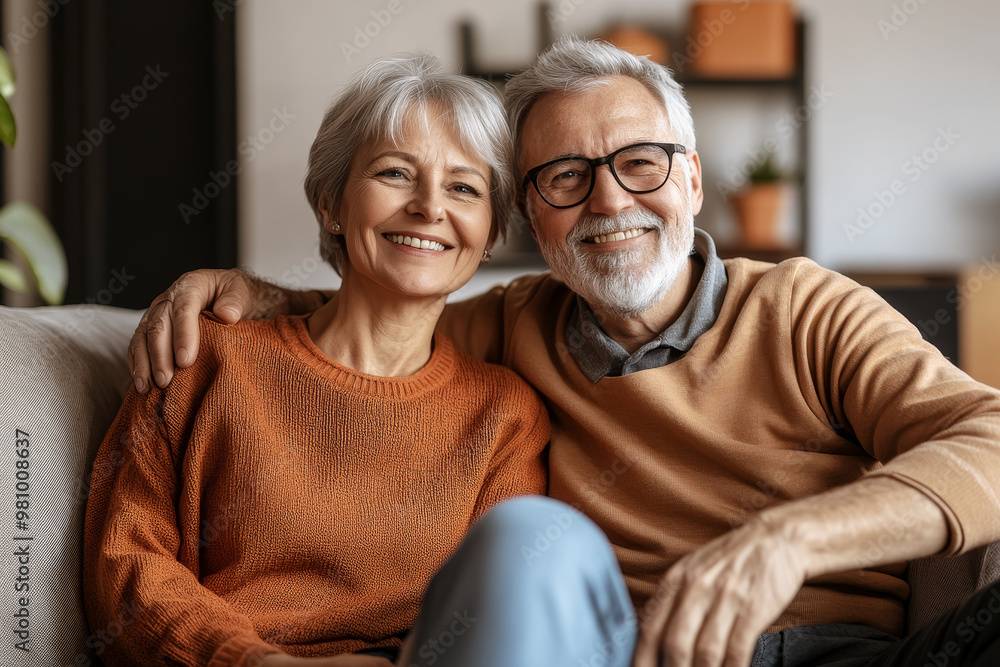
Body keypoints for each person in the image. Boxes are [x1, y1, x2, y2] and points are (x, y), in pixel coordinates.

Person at [129, 39, 1000, 667]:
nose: (609, 200)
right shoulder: (509, 329)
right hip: (623, 653)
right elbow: (379, 311)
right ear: (531, 219)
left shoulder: (804, 308)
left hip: (844, 652)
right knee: (528, 534)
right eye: (566, 176)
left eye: (642, 163)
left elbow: (989, 438)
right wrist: (256, 294)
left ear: (693, 178)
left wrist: (783, 541)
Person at [82, 54, 562, 666]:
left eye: (464, 188)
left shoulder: (504, 415)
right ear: (332, 203)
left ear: (489, 232)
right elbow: (125, 566)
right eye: (395, 173)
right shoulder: (206, 359)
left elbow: (494, 612)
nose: (428, 207)